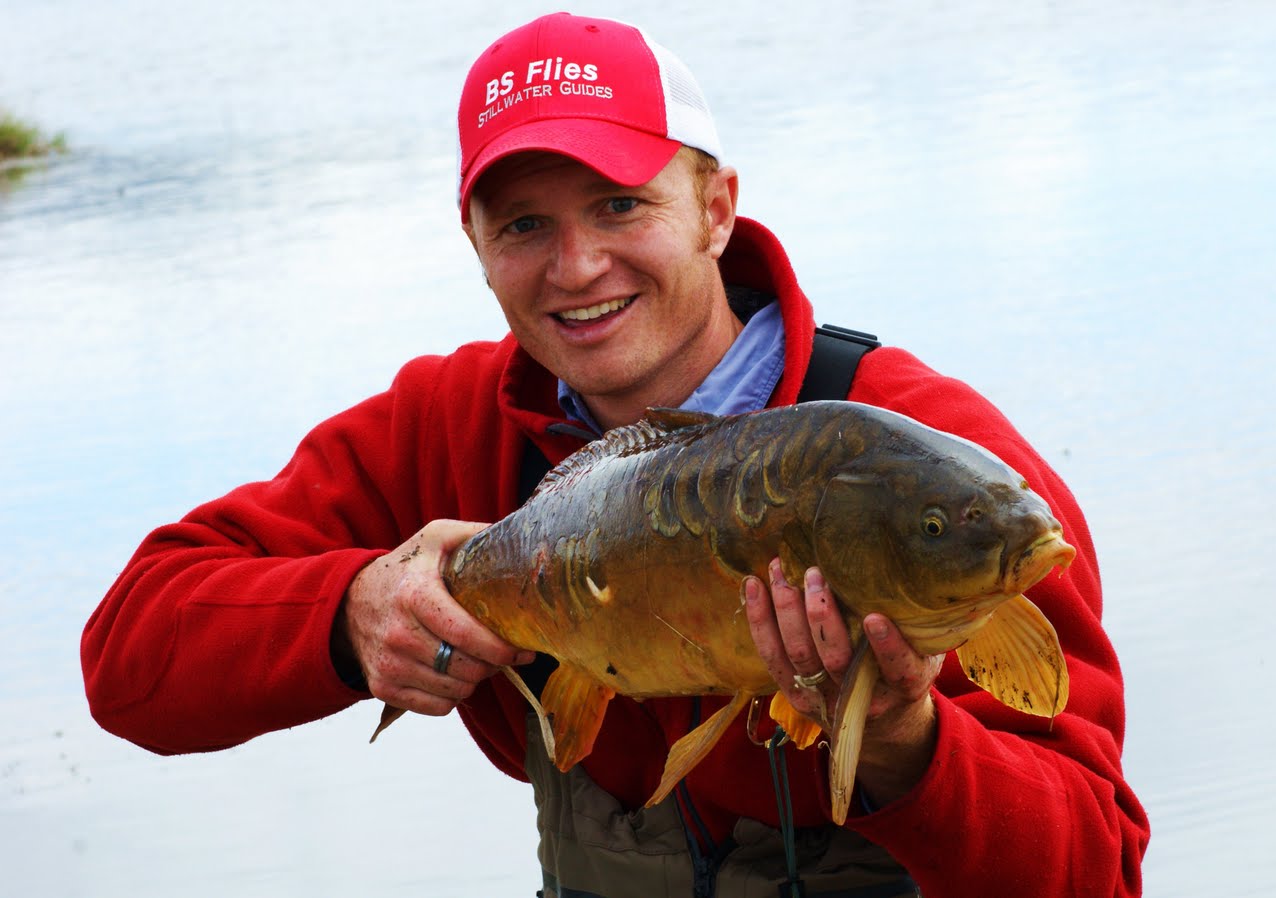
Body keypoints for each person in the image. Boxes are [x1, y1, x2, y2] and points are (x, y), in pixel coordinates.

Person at [82, 12, 1148, 897]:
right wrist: (349, 612)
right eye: (523, 226)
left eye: (619, 204)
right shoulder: (450, 425)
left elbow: (1097, 870)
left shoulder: (931, 465)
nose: (577, 265)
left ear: (715, 208)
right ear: (475, 247)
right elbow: (129, 658)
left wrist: (903, 739)